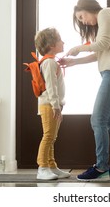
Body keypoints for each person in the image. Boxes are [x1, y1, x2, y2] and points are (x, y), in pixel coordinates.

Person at [59, 0, 110, 182]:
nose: (84, 22)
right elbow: (100, 53)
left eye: (82, 17)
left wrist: (78, 48)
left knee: (97, 119)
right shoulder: (106, 19)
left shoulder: (106, 13)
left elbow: (102, 44)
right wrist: (74, 62)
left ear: (88, 8)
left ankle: (101, 168)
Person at [34, 27, 71, 180]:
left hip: (53, 105)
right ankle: (42, 168)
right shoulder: (49, 63)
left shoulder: (51, 62)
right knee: (48, 136)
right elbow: (51, 86)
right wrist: (56, 106)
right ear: (51, 45)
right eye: (60, 40)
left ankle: (52, 166)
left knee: (52, 137)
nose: (63, 42)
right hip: (50, 105)